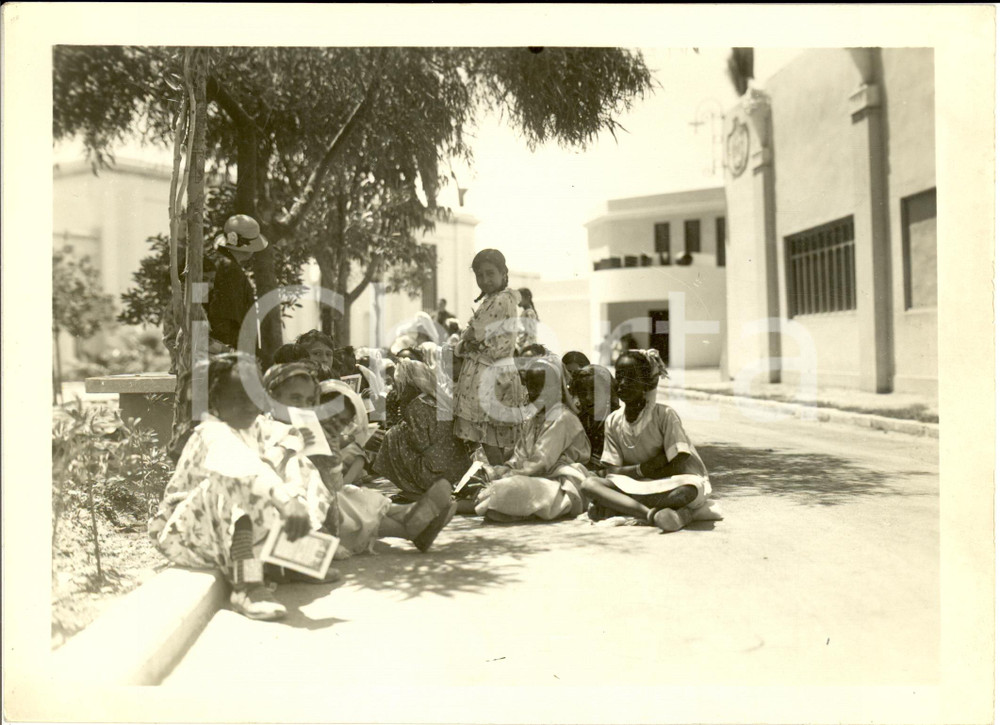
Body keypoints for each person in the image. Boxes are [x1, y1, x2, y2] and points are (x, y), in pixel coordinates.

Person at [148, 353, 336, 621]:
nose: (250, 407)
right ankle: (247, 586)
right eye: (238, 399)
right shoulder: (212, 432)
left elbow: (293, 436)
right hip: (186, 533)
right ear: (215, 401)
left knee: (297, 464)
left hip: (221, 533)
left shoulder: (254, 426)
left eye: (255, 398)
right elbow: (242, 467)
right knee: (239, 485)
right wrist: (284, 499)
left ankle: (286, 561)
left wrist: (281, 454)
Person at [264, 363, 459, 561]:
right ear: (271, 399)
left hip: (315, 493)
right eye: (295, 399)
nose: (302, 407)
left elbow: (330, 481)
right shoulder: (269, 428)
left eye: (308, 401)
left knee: (354, 497)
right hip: (292, 500)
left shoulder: (303, 430)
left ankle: (410, 516)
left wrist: (329, 451)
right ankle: (409, 525)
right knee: (346, 505)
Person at [580, 350, 722, 533]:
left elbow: (679, 461)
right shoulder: (613, 420)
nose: (622, 384)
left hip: (668, 483)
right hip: (635, 484)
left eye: (630, 379)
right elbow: (611, 469)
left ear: (646, 384)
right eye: (619, 377)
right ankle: (652, 514)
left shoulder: (664, 415)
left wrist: (647, 475)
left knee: (689, 488)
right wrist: (643, 470)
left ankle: (621, 506)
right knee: (589, 484)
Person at [473, 356, 591, 522]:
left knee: (503, 490)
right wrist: (502, 471)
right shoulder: (533, 418)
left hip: (561, 483)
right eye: (531, 386)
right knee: (487, 484)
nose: (534, 393)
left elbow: (540, 463)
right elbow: (519, 457)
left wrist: (507, 476)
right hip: (535, 478)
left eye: (540, 387)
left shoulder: (563, 418)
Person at [454, 249, 527, 465]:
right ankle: (498, 479)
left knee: (490, 438)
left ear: (504, 272)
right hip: (486, 372)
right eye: (479, 275)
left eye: (490, 273)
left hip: (492, 375)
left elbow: (472, 333)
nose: (485, 280)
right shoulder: (492, 299)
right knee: (488, 437)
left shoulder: (502, 300)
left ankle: (501, 483)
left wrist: (467, 340)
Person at [375, 358, 471, 502]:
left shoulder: (416, 405)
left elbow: (419, 443)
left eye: (399, 384)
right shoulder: (441, 400)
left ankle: (415, 489)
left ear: (410, 384)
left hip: (434, 473)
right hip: (460, 470)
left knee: (393, 435)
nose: (396, 388)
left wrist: (403, 429)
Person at [206, 215, 268, 353]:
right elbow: (228, 316)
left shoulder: (214, 261)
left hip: (212, 340)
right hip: (227, 345)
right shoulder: (230, 269)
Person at [569, 364, 619, 471]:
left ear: (608, 392)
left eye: (594, 391)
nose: (588, 397)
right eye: (583, 392)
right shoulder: (579, 419)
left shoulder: (618, 420)